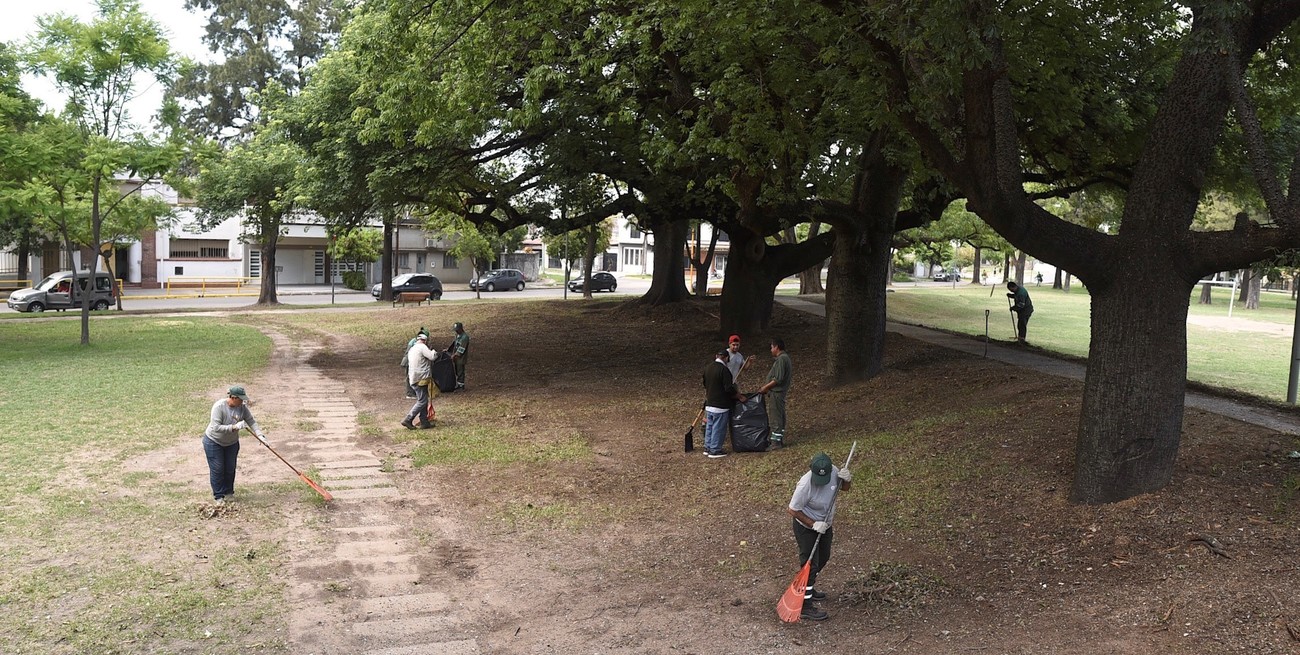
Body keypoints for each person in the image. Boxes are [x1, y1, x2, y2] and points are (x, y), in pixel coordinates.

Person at [787, 452, 852, 621]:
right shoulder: (805, 484)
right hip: (806, 527)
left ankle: (808, 587)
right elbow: (793, 509)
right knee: (810, 564)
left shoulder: (834, 471)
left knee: (823, 557)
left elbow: (843, 489)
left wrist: (847, 480)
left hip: (825, 525)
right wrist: (813, 524)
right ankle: (805, 606)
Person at [202, 385, 267, 505]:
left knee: (230, 468)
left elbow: (251, 421)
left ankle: (229, 492)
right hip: (213, 442)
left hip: (231, 443)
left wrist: (260, 435)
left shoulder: (242, 408)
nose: (242, 402)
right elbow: (215, 427)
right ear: (233, 397)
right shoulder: (219, 407)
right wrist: (234, 427)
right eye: (240, 399)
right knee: (218, 468)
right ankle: (219, 496)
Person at [702, 347, 745, 459]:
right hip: (720, 404)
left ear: (717, 356)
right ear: (726, 358)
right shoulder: (724, 370)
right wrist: (738, 395)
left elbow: (705, 384)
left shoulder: (708, 368)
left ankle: (707, 447)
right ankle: (715, 450)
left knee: (709, 426)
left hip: (710, 401)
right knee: (718, 427)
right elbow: (728, 388)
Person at [756, 337, 792, 450]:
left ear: (776, 347)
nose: (771, 350)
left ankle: (776, 442)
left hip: (777, 393)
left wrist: (765, 388)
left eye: (771, 347)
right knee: (779, 415)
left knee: (775, 417)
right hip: (778, 393)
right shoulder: (784, 358)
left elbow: (778, 379)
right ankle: (778, 438)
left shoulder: (782, 359)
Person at [402, 333, 439, 429]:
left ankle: (424, 421)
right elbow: (432, 357)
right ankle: (408, 419)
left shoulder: (412, 349)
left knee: (424, 399)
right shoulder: (422, 347)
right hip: (421, 378)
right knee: (422, 401)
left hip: (413, 378)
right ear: (425, 340)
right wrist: (434, 351)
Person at [400, 326, 429, 399]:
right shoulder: (415, 342)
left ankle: (413, 392)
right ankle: (409, 393)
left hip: (411, 361)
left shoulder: (416, 341)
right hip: (408, 361)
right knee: (409, 377)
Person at [449, 322, 470, 390]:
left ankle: (461, 385)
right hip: (456, 357)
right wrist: (448, 349)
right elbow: (454, 343)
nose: (456, 331)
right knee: (456, 370)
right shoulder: (457, 335)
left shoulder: (465, 337)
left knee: (460, 371)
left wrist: (455, 355)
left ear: (461, 329)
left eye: (457, 330)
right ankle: (458, 383)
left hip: (461, 358)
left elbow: (461, 349)